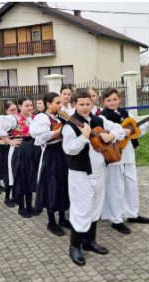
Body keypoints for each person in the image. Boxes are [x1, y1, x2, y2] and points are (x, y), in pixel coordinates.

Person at [62, 88, 125, 266]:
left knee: (96, 207)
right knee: (81, 210)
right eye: (81, 104)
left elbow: (120, 130)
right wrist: (83, 137)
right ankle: (75, 246)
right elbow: (69, 149)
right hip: (80, 174)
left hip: (99, 172)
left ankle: (90, 241)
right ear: (74, 104)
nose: (85, 107)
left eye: (88, 104)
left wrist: (111, 135)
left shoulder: (99, 119)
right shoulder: (70, 124)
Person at [99, 88, 148, 235]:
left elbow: (136, 131)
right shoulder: (102, 117)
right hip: (114, 154)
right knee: (116, 187)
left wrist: (142, 127)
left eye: (114, 99)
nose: (112, 102)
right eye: (109, 100)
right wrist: (120, 133)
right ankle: (116, 219)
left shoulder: (126, 114)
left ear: (119, 99)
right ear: (103, 102)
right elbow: (104, 136)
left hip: (129, 153)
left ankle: (132, 213)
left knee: (131, 184)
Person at [31, 92, 71, 236]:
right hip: (51, 153)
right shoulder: (42, 118)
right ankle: (51, 221)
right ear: (48, 104)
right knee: (51, 185)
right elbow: (41, 138)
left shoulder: (58, 116)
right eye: (57, 103)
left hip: (62, 152)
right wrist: (61, 129)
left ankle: (62, 218)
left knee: (62, 184)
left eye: (61, 103)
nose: (60, 105)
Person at [8, 97, 40, 216]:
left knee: (30, 177)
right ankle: (21, 207)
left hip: (32, 148)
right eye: (26, 105)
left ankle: (30, 206)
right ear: (20, 106)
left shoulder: (34, 118)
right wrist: (8, 141)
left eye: (31, 105)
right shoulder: (13, 118)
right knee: (21, 177)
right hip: (21, 149)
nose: (30, 108)